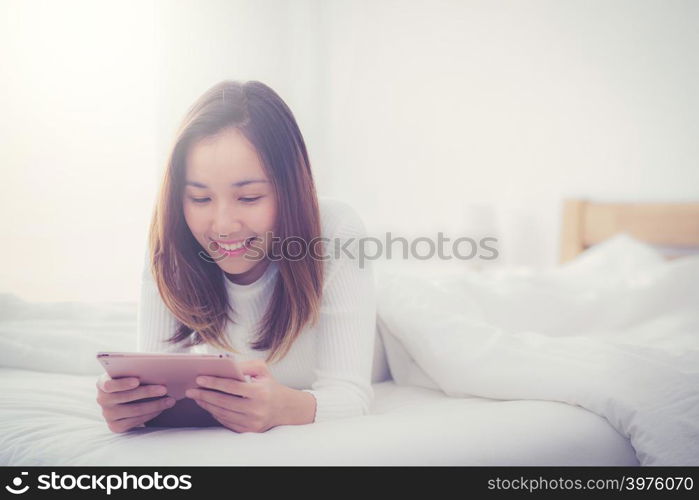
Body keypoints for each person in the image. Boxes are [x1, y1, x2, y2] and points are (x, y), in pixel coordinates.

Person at [95, 80, 378, 434]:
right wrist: (134, 408)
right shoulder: (173, 248)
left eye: (249, 198)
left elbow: (351, 396)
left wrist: (283, 407)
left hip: (389, 327)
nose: (223, 226)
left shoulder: (336, 231)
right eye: (200, 199)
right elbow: (163, 389)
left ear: (290, 190)